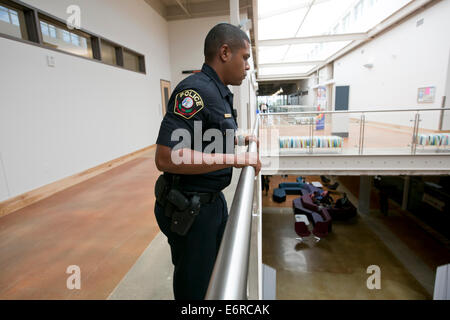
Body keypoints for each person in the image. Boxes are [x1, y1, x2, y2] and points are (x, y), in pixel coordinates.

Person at [153, 23, 261, 300]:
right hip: (189, 207)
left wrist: (240, 139)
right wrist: (236, 159)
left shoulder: (219, 91)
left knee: (214, 275)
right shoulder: (195, 91)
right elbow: (167, 156)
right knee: (196, 286)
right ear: (225, 52)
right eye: (245, 57)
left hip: (210, 201)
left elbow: (207, 135)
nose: (248, 66)